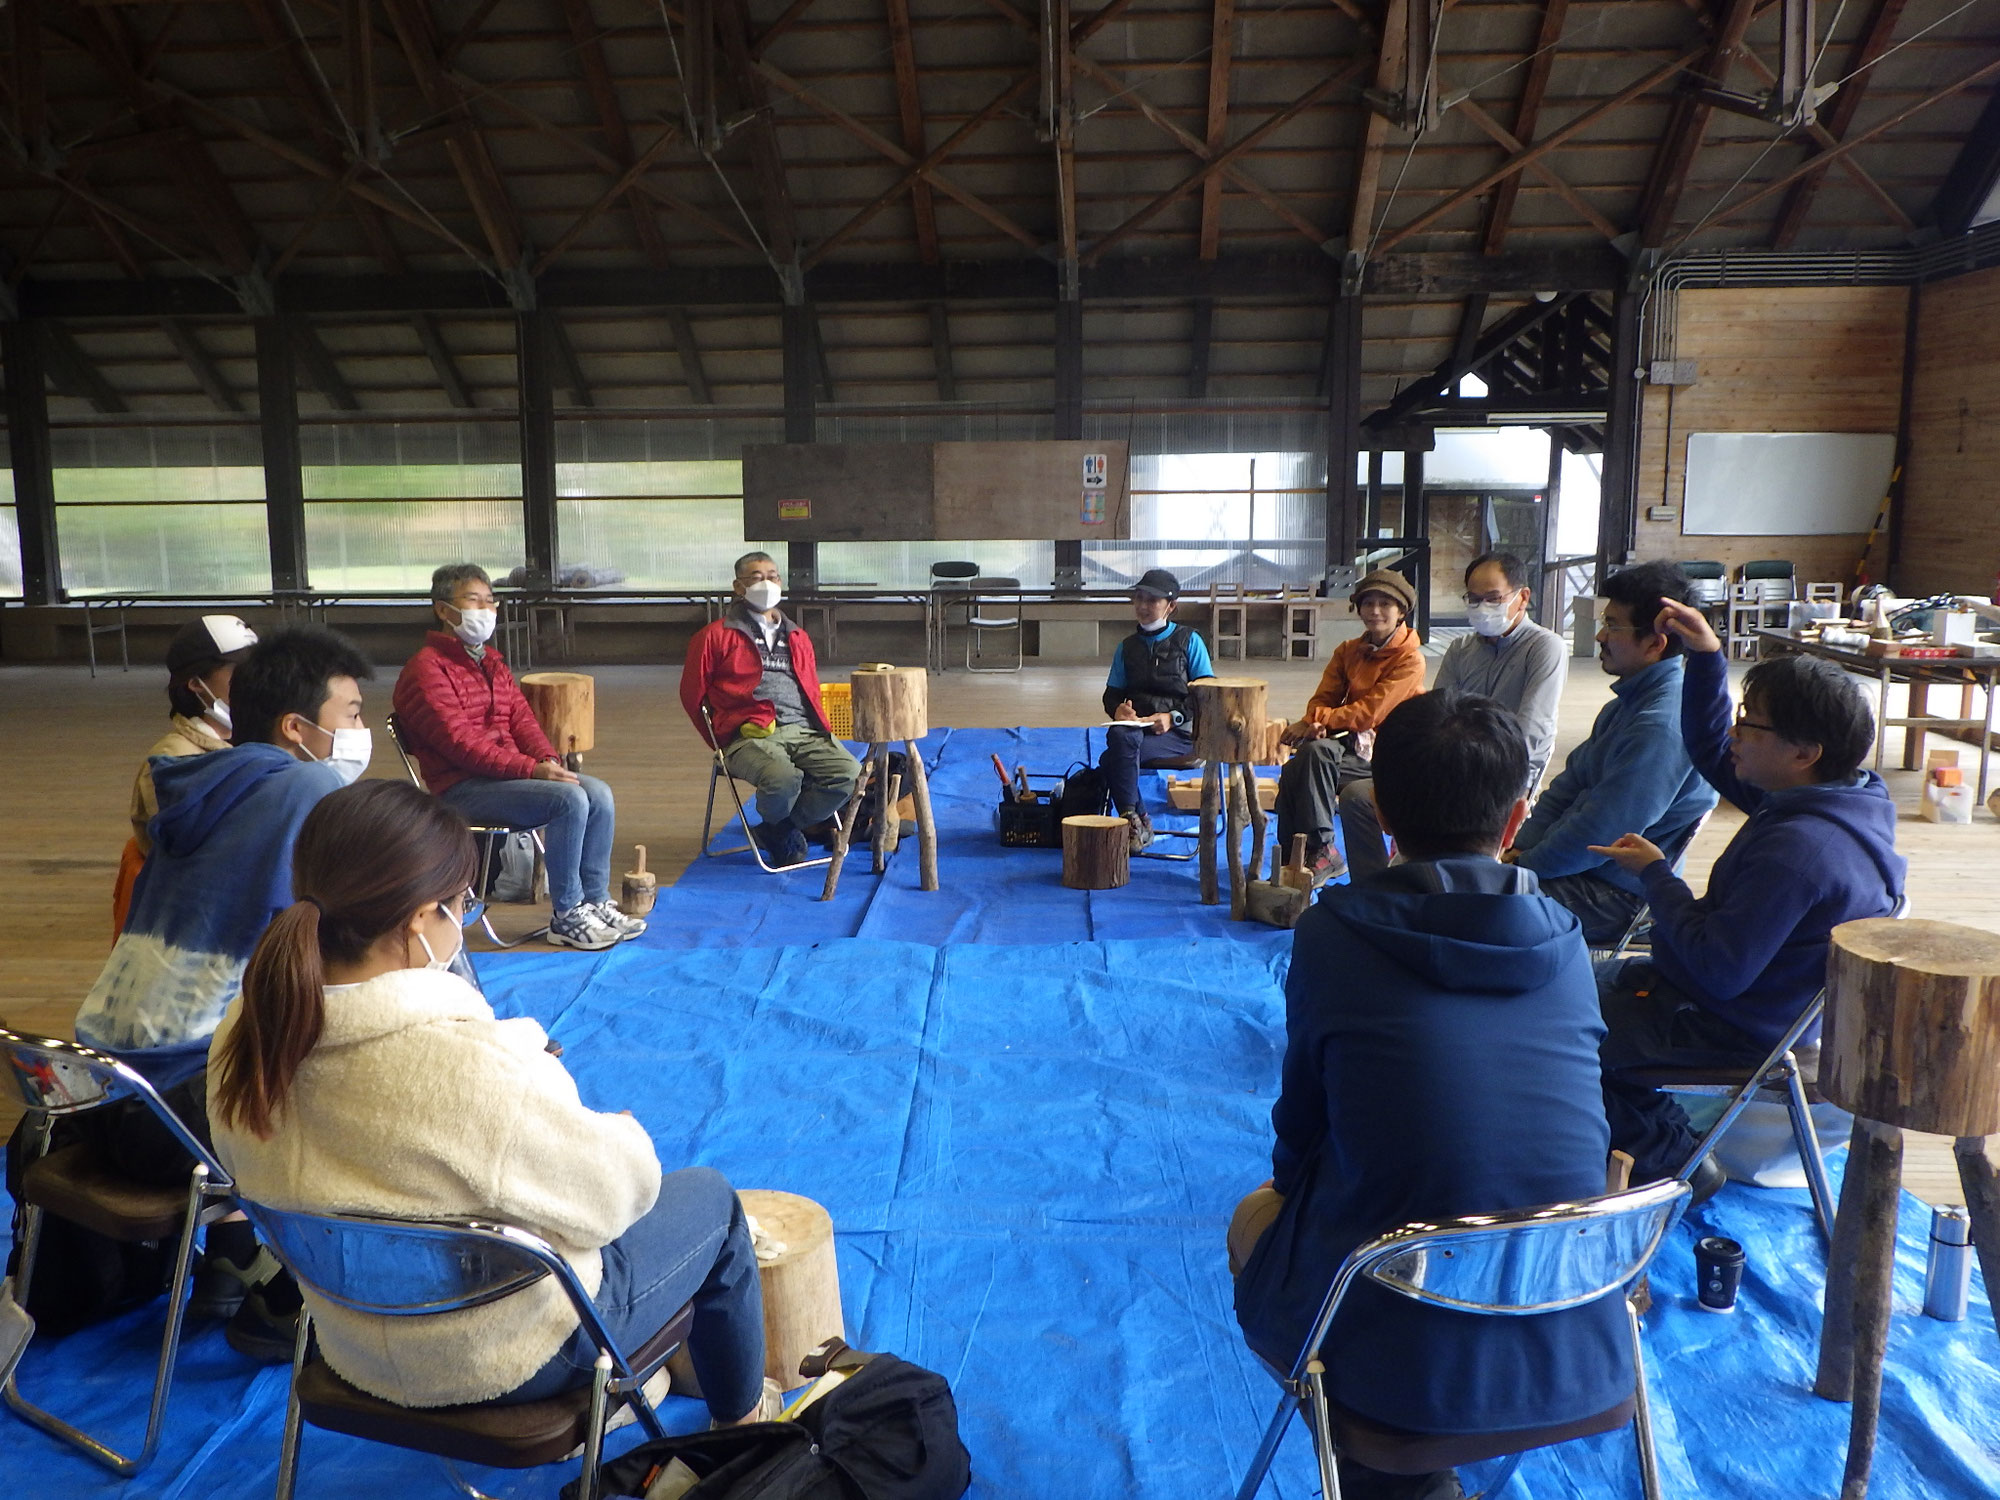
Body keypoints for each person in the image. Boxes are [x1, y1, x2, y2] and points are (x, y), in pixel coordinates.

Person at [208, 780, 779, 1424]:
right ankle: (745, 1423)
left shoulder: (246, 1035)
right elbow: (611, 1204)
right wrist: (616, 1138)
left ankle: (669, 1371)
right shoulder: (465, 1067)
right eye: (462, 904)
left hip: (349, 1340)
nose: (464, 920)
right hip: (502, 1358)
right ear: (420, 920)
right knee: (712, 1202)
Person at [1231, 692, 1629, 1500]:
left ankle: (1389, 1476)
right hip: (1577, 1325)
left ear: (1377, 812)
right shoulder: (1564, 938)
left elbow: (1301, 1130)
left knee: (1256, 1221)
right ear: (1517, 819)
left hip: (1403, 1364)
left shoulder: (1336, 932)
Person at [71, 624, 374, 1358]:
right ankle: (292, 1296)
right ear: (298, 729)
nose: (365, 732)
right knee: (368, 1070)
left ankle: (237, 1257)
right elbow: (357, 945)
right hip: (171, 1116)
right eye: (355, 716)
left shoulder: (200, 780)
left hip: (92, 1094)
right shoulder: (307, 786)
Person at [1588, 600, 1906, 1187]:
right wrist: (1709, 658)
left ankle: (1673, 1163)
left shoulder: (1800, 851)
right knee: (1578, 991)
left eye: (1750, 723)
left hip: (1731, 1021)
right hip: (1743, 997)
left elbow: (1717, 970)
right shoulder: (1836, 798)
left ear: (1803, 752)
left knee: (1568, 1035)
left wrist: (1657, 876)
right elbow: (1711, 747)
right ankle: (1667, 1143)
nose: (1735, 733)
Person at [392, 563, 644, 952]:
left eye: (490, 602)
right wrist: (531, 769)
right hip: (462, 787)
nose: (486, 610)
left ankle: (596, 900)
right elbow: (460, 743)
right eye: (473, 601)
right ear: (443, 610)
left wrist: (548, 760)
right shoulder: (426, 669)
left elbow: (522, 719)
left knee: (598, 793)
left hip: (506, 777)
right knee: (569, 799)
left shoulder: (490, 660)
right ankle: (567, 914)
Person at [1503, 562, 1718, 947]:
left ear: (1656, 643)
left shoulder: (1661, 723)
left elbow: (1603, 830)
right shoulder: (1627, 704)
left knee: (1476, 904)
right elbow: (1567, 788)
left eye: (1614, 626)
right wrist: (1518, 849)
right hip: (1582, 872)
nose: (1600, 635)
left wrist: (1524, 867)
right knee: (1469, 883)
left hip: (1619, 895)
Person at [1336, 553, 1566, 883]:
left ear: (1522, 597)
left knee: (1435, 822)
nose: (1482, 606)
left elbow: (1529, 735)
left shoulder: (1545, 649)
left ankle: (1432, 886)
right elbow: (1433, 717)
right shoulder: (1460, 650)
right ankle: (1374, 890)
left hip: (1496, 782)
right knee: (1358, 797)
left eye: (1492, 598)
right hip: (1443, 772)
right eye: (1473, 598)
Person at [680, 551, 861, 867]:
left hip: (804, 729)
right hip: (748, 734)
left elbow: (810, 687)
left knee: (849, 774)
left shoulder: (798, 636)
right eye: (756, 577)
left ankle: (779, 828)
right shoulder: (713, 637)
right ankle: (781, 829)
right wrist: (722, 738)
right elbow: (691, 695)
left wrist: (819, 725)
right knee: (782, 778)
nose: (767, 582)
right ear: (738, 587)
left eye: (773, 576)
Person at [1271, 568, 1425, 886]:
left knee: (1314, 757)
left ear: (1401, 612)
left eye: (1385, 604)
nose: (1375, 611)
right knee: (1297, 767)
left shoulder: (1410, 660)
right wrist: (1316, 722)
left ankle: (1323, 849)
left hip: (1390, 754)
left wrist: (1319, 720)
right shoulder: (1348, 651)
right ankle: (1292, 855)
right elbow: (1321, 700)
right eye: (1368, 603)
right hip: (1351, 744)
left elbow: (1370, 713)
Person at [114, 614, 260, 933]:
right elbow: (198, 860)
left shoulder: (261, 741)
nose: (256, 682)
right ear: (196, 683)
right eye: (240, 672)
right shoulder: (174, 761)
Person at [1098, 568, 1214, 850]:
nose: (1142, 606)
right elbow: (1111, 695)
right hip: (1137, 731)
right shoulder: (1127, 647)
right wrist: (1118, 711)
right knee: (1120, 738)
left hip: (1180, 735)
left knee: (1112, 759)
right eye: (1138, 598)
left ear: (1171, 606)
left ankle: (1135, 822)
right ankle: (1134, 819)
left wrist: (1173, 718)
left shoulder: (1190, 641)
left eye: (1152, 600)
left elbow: (1208, 693)